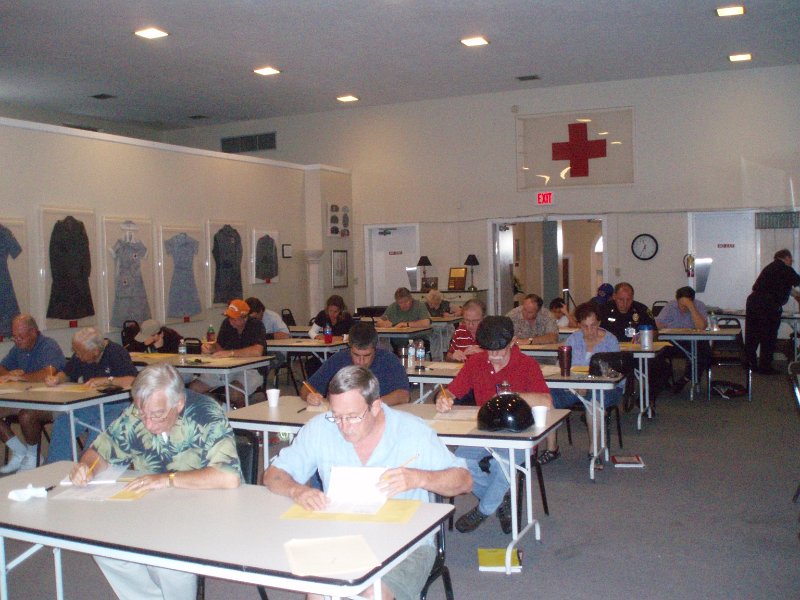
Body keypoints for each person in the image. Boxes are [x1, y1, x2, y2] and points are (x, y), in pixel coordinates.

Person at [264, 365, 471, 600]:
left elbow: (464, 481)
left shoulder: (412, 431)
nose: (344, 426)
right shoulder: (321, 428)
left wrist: (420, 478)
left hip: (407, 544)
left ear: (375, 406)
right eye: (337, 416)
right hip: (342, 535)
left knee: (370, 594)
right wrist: (297, 490)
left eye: (353, 417)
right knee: (320, 593)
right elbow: (273, 475)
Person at [69, 363, 242, 600]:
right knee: (104, 546)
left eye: (157, 415)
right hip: (149, 506)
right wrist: (86, 468)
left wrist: (167, 480)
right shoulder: (141, 411)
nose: (148, 424)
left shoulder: (205, 413)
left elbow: (228, 477)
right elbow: (100, 451)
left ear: (178, 403)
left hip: (199, 507)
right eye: (143, 414)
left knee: (167, 561)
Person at [434, 316, 556, 534]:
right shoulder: (477, 362)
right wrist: (443, 398)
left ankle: (483, 509)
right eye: (489, 351)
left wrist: (512, 396)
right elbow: (451, 390)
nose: (493, 356)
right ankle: (499, 500)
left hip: (518, 434)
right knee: (459, 462)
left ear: (513, 342)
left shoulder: (527, 364)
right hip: (484, 431)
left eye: (499, 350)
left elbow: (547, 402)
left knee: (504, 467)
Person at [37, 327, 139, 464]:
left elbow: (132, 380)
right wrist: (57, 379)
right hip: (90, 403)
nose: (76, 355)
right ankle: (56, 470)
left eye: (79, 353)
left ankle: (85, 469)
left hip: (116, 405)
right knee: (63, 423)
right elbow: (67, 373)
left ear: (95, 352)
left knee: (98, 431)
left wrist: (106, 380)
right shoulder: (81, 354)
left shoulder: (116, 352)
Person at [550, 302, 624, 456]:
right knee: (547, 398)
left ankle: (594, 450)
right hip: (573, 387)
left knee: (593, 403)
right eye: (584, 326)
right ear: (578, 324)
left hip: (605, 389)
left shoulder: (610, 341)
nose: (589, 330)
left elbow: (616, 374)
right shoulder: (573, 339)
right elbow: (560, 368)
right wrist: (573, 385)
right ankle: (552, 448)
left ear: (599, 322)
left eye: (593, 325)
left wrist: (588, 386)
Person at [0, 314, 66, 473]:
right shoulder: (18, 349)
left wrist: (20, 377)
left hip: (49, 403)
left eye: (21, 337)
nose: (17, 340)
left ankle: (34, 455)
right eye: (14, 337)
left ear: (33, 333)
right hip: (24, 398)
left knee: (26, 415)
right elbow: (2, 367)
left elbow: (48, 373)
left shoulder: (49, 346)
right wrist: (9, 374)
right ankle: (19, 451)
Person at [301, 322, 410, 406]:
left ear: (375, 348)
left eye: (367, 355)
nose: (361, 361)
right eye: (356, 355)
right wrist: (310, 396)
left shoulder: (389, 360)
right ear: (349, 347)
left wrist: (372, 404)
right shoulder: (338, 359)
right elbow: (306, 388)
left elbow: (404, 395)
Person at [190, 299, 267, 408]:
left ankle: (243, 417)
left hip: (252, 370)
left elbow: (257, 351)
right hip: (227, 368)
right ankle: (222, 409)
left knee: (234, 392)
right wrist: (211, 347)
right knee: (194, 388)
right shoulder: (226, 324)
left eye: (234, 319)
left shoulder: (256, 325)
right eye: (229, 318)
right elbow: (220, 347)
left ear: (245, 318)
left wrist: (230, 353)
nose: (230, 321)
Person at [745, 249, 800, 374]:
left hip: (754, 302)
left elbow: (780, 286)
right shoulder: (785, 269)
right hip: (768, 306)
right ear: (786, 257)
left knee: (753, 335)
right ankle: (765, 367)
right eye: (791, 259)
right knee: (768, 336)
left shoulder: (769, 268)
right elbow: (796, 281)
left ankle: (750, 365)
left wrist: (795, 294)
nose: (792, 262)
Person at [656, 286, 710, 392]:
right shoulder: (670, 306)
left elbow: (701, 327)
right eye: (681, 305)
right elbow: (658, 324)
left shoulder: (699, 305)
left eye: (687, 304)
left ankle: (685, 379)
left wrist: (691, 307)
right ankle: (663, 379)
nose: (683, 308)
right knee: (655, 352)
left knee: (705, 351)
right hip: (672, 341)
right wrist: (661, 326)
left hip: (692, 342)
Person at [305, 294, 355, 376]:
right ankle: (314, 387)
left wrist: (341, 338)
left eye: (335, 312)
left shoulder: (346, 317)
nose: (332, 314)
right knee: (310, 365)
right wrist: (317, 336)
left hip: (342, 351)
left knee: (334, 365)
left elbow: (354, 335)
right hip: (326, 349)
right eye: (330, 311)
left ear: (341, 311)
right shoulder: (322, 315)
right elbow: (311, 332)